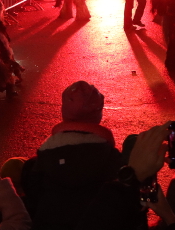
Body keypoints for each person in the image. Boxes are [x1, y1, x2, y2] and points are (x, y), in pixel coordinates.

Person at [20, 81, 121, 229]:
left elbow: (33, 202)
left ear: (64, 110)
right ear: (98, 113)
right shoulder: (114, 160)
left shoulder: (39, 163)